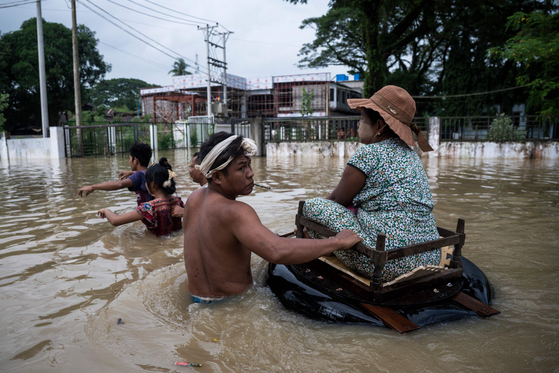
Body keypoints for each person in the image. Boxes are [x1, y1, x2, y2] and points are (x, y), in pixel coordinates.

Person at [182, 132, 362, 303]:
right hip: (235, 305)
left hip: (196, 299)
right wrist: (337, 242)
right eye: (241, 168)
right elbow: (277, 251)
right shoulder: (236, 211)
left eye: (249, 165)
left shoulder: (192, 199)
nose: (251, 173)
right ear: (217, 177)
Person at [302, 85, 439, 282]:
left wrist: (310, 220)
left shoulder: (369, 153)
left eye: (362, 120)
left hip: (386, 263)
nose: (358, 125)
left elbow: (335, 200)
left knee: (313, 206)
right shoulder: (412, 154)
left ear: (380, 125)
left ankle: (322, 244)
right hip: (428, 256)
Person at [97, 157, 184, 237]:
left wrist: (106, 210)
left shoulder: (149, 207)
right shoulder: (178, 201)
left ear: (152, 184)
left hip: (156, 246)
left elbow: (115, 220)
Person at [78, 142, 154, 206]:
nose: (129, 161)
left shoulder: (138, 176)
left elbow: (119, 184)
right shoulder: (151, 171)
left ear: (136, 161)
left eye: (130, 158)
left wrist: (93, 187)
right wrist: (131, 173)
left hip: (149, 216)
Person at [171, 153, 207, 218]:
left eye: (191, 167)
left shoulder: (207, 193)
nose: (189, 170)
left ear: (201, 168)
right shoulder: (205, 190)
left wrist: (185, 212)